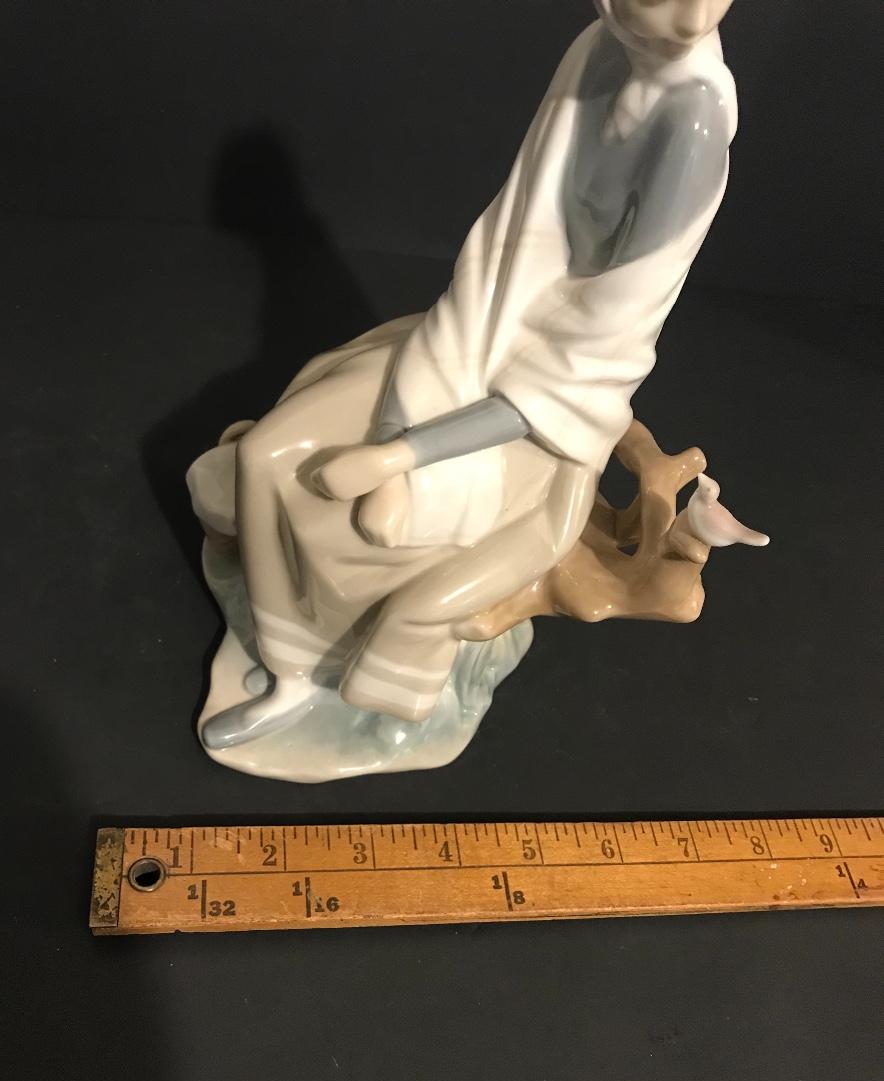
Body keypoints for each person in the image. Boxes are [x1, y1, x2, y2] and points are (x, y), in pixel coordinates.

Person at [198, 0, 738, 750]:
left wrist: (399, 457)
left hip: (544, 418)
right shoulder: (601, 48)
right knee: (264, 456)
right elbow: (504, 249)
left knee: (352, 525)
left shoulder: (694, 127)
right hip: (464, 342)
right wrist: (398, 426)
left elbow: (586, 368)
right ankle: (288, 675)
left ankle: (346, 683)